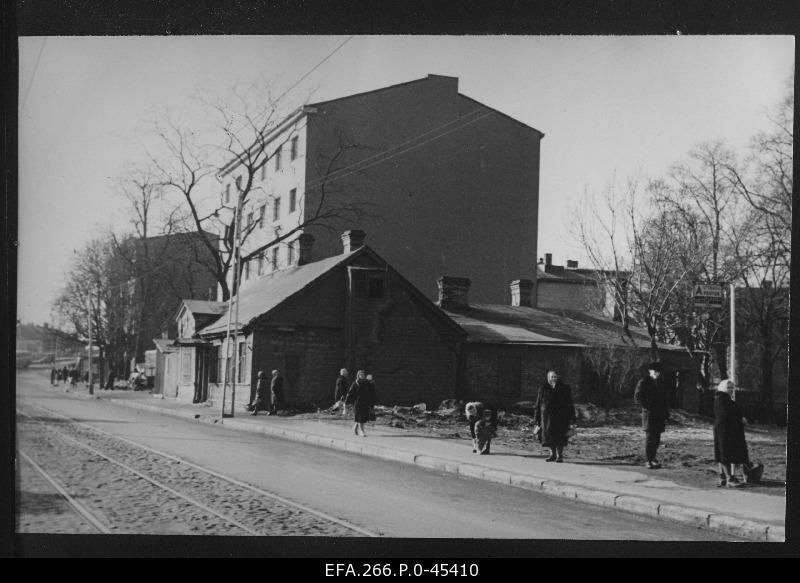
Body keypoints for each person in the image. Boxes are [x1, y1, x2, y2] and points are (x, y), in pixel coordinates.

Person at [714, 379, 750, 488]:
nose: (731, 390)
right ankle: (729, 478)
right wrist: (740, 418)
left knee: (723, 452)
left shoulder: (725, 399)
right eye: (728, 387)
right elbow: (727, 414)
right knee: (724, 453)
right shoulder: (721, 399)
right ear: (724, 388)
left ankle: (723, 477)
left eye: (732, 388)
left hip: (727, 429)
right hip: (724, 430)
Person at [634, 362, 670, 469]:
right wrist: (648, 405)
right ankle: (648, 460)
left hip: (659, 415)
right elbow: (638, 397)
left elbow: (664, 400)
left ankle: (653, 458)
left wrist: (666, 414)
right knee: (650, 438)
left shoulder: (661, 383)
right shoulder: (644, 382)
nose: (657, 374)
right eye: (655, 371)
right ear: (650, 371)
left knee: (656, 438)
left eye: (659, 372)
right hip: (649, 414)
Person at [534, 370, 576, 462]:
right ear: (548, 378)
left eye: (555, 377)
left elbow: (570, 403)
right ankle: (552, 454)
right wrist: (536, 419)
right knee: (548, 437)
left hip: (560, 418)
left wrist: (572, 418)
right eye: (551, 377)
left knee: (559, 437)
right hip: (546, 418)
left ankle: (559, 455)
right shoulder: (543, 388)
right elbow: (538, 404)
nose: (553, 379)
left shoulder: (564, 388)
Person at [345, 370, 376, 437]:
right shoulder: (356, 383)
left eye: (363, 374)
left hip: (365, 402)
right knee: (360, 417)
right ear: (358, 375)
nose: (362, 375)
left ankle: (355, 427)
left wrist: (372, 382)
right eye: (360, 374)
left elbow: (371, 391)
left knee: (362, 417)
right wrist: (347, 402)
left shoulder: (367, 382)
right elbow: (350, 393)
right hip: (357, 402)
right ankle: (362, 431)